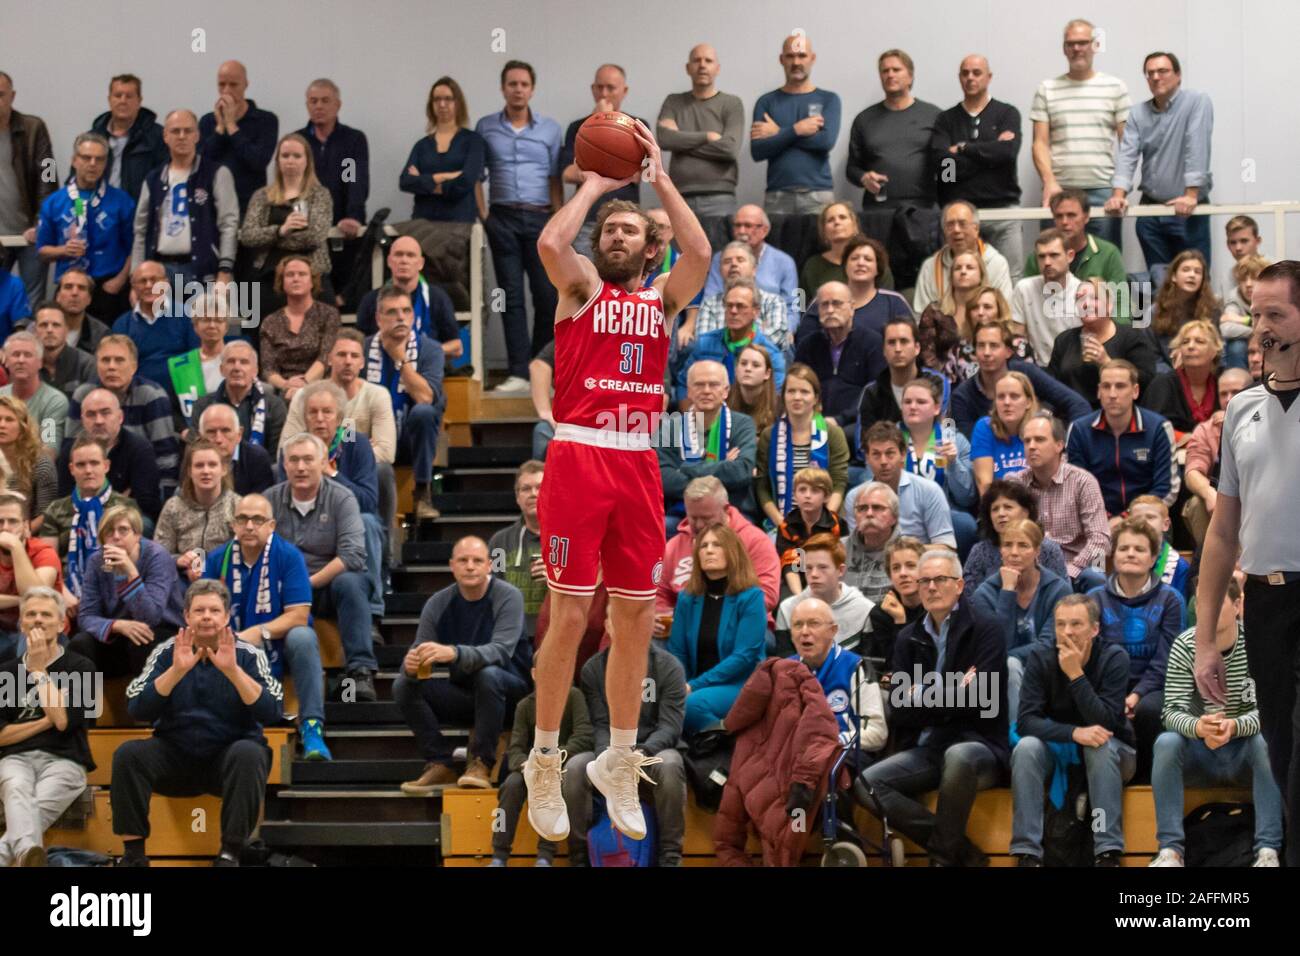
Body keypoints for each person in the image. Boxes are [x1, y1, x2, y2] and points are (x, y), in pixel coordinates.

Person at [523, 119, 710, 845]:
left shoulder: (662, 300)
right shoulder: (579, 289)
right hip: (577, 455)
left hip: (635, 459)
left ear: (648, 245)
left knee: (635, 617)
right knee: (572, 616)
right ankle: (545, 756)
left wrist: (659, 178)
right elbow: (548, 244)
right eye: (611, 230)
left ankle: (621, 756)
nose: (619, 236)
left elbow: (700, 250)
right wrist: (596, 183)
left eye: (631, 230)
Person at [1193, 260, 1300, 867]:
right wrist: (1207, 638)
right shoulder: (1241, 410)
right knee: (1284, 755)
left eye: (1276, 315)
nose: (1260, 329)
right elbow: (1221, 533)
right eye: (1254, 315)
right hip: (1264, 600)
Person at [112, 579, 281, 867]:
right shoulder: (168, 651)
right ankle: (134, 856)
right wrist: (177, 672)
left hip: (227, 763)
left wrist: (233, 671)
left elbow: (273, 711)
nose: (206, 617)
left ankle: (230, 854)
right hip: (175, 757)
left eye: (214, 611)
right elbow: (137, 707)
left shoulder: (248, 654)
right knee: (128, 754)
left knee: (251, 752)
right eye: (199, 610)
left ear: (227, 617)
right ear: (186, 616)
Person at [863, 549, 1008, 867]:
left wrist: (924, 694)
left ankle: (942, 859)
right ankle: (961, 853)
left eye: (939, 579)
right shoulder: (907, 638)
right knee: (868, 783)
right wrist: (955, 691)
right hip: (929, 747)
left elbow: (984, 701)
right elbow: (900, 708)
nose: (930, 587)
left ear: (959, 585)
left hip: (979, 745)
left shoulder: (987, 628)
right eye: (924, 580)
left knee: (958, 757)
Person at [1151, 577, 1282, 867]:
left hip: (1243, 754)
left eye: (1215, 600)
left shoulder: (1258, 645)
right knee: (1166, 742)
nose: (1204, 607)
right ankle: (1171, 851)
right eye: (1200, 600)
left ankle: (1268, 850)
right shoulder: (1185, 645)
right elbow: (1170, 711)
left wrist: (1234, 726)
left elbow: (1271, 711)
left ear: (1237, 606)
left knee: (1266, 740)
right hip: (1200, 753)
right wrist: (1199, 727)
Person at [396, 536, 530, 792]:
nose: (470, 566)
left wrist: (454, 653)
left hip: (512, 694)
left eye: (477, 560)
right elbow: (419, 647)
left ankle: (481, 762)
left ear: (489, 565)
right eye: (463, 560)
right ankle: (440, 762)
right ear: (452, 566)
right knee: (403, 685)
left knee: (488, 674)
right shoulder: (438, 602)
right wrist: (412, 664)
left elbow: (501, 651)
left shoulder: (508, 596)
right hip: (468, 695)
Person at [1010, 593, 1135, 866]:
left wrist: (1076, 675)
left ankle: (1106, 851)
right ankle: (1027, 851)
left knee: (1098, 748)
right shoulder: (1040, 658)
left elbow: (1107, 723)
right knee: (1026, 748)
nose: (1067, 632)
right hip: (1060, 750)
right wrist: (1073, 733)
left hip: (1115, 752)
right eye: (1060, 624)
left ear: (1094, 629)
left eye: (1076, 624)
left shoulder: (1114, 658)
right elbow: (1026, 721)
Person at [203, 492, 327, 760]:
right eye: (243, 519)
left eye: (257, 520)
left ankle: (312, 727)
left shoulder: (289, 556)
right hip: (230, 645)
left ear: (272, 525)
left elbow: (298, 614)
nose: (249, 526)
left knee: (303, 637)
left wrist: (259, 632)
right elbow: (199, 610)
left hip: (277, 643)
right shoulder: (217, 559)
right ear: (233, 524)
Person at [267, 431, 376, 701]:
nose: (301, 467)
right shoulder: (269, 500)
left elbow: (352, 555)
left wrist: (307, 583)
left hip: (325, 587)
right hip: (281, 591)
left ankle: (360, 672)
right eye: (293, 460)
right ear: (284, 465)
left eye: (307, 459)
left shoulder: (342, 497)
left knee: (352, 581)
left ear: (323, 462)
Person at [476, 60, 562, 393]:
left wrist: (558, 218)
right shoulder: (486, 127)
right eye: (512, 83)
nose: (518, 89)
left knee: (547, 295)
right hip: (503, 218)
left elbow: (556, 178)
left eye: (524, 84)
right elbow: (476, 175)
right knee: (510, 297)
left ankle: (541, 367)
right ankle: (518, 374)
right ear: (503, 88)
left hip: (541, 218)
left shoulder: (550, 130)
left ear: (532, 89)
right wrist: (484, 216)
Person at [565, 640, 687, 866]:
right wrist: (608, 756)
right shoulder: (593, 668)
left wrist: (642, 751)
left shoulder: (669, 666)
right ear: (608, 625)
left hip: (652, 749)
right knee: (574, 768)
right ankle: (579, 858)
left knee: (670, 765)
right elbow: (599, 724)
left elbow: (670, 726)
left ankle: (670, 858)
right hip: (608, 749)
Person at [0, 587, 95, 867]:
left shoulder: (82, 667)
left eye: (46, 614)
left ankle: (24, 854)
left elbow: (65, 722)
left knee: (26, 814)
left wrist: (40, 672)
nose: (38, 620)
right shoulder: (5, 672)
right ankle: (28, 857)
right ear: (21, 623)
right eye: (31, 614)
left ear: (62, 623)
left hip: (66, 761)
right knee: (16, 786)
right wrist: (45, 720)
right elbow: (1, 737)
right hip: (15, 759)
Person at [1088, 517, 1186, 778]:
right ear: (1113, 554)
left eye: (1139, 549)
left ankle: (1146, 781)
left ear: (1154, 558)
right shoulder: (1093, 599)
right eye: (1123, 548)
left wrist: (1136, 696)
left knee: (1149, 711)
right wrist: (1115, 695)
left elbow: (1168, 660)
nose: (1130, 553)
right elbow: (1092, 658)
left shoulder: (1171, 600)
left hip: (1153, 687)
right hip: (1107, 686)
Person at [1106, 52, 1214, 275]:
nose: (1156, 77)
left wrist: (1191, 195)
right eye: (1150, 73)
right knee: (1160, 284)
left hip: (1188, 212)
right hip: (1151, 212)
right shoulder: (1137, 113)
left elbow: (1196, 147)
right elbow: (1127, 155)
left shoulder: (1197, 102)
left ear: (1178, 76)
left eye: (1162, 71)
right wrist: (1118, 195)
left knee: (1195, 283)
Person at [1030, 18, 1130, 248]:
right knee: (1054, 263)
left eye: (1083, 42)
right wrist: (1050, 182)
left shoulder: (1115, 88)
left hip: (1103, 193)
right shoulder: (1047, 89)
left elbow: (1129, 145)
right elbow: (1039, 143)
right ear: (1064, 48)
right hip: (1060, 191)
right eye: (1071, 43)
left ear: (1094, 45)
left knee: (1104, 264)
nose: (1077, 48)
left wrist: (1119, 191)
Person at [846, 49, 941, 286]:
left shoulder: (934, 116)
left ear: (910, 76)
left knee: (924, 278)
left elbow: (948, 162)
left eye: (896, 69)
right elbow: (851, 168)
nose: (890, 75)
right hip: (878, 214)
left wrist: (949, 188)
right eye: (884, 71)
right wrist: (863, 178)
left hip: (922, 212)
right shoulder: (864, 119)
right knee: (879, 275)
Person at [490, 659, 592, 866]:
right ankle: (499, 855)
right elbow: (515, 749)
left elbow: (583, 737)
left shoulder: (574, 696)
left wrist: (551, 761)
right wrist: (527, 765)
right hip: (531, 766)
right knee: (510, 786)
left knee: (554, 785)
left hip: (562, 764)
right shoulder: (525, 705)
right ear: (535, 674)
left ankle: (545, 855)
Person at [666, 523, 766, 735]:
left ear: (732, 551)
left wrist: (694, 685)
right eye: (703, 546)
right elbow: (677, 652)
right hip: (693, 683)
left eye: (717, 545)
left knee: (692, 706)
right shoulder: (687, 598)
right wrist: (680, 684)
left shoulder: (751, 597)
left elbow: (744, 656)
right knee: (655, 702)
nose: (709, 550)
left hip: (740, 683)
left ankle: (731, 750)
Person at [931, 55, 1023, 281]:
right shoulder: (945, 119)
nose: (970, 78)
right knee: (958, 278)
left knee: (1011, 279)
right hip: (959, 214)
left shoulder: (1006, 114)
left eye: (977, 72)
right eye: (965, 73)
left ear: (989, 77)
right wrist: (990, 155)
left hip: (1003, 211)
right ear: (959, 78)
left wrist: (962, 149)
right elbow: (945, 173)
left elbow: (1007, 154)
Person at [67, 503, 183, 678]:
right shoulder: (96, 561)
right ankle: (84, 704)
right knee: (80, 643)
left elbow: (150, 617)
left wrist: (130, 573)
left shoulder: (157, 557)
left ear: (137, 535)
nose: (116, 537)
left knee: (141, 640)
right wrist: (117, 626)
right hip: (118, 632)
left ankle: (142, 704)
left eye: (123, 530)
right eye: (109, 532)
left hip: (160, 630)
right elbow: (86, 617)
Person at [972, 519, 1072, 719]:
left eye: (1023, 545)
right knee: (1009, 665)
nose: (1014, 552)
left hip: (1048, 670)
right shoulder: (984, 594)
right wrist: (1007, 591)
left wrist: (1009, 655)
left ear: (1037, 552)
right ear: (1000, 551)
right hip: (999, 677)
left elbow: (1050, 645)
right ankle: (1014, 735)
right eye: (1007, 545)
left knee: (1010, 662)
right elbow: (996, 647)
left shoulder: (1058, 589)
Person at [364, 283, 446, 519]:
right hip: (370, 440)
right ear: (379, 318)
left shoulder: (430, 350)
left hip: (410, 440)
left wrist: (400, 358)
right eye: (392, 312)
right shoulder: (363, 348)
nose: (400, 317)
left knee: (424, 412)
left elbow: (425, 397)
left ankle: (422, 493)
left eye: (406, 311)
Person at [656, 476, 780, 629]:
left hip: (741, 625)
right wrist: (660, 614)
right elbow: (661, 593)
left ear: (726, 509)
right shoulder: (675, 545)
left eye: (707, 518)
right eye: (693, 518)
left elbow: (768, 595)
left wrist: (715, 614)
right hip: (684, 628)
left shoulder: (755, 541)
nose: (700, 525)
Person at [132, 109, 238, 287]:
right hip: (159, 272)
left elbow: (229, 224)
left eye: (188, 131)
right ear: (165, 136)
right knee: (162, 316)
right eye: (175, 131)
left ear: (197, 135)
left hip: (203, 272)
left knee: (202, 316)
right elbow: (140, 231)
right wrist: (135, 277)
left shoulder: (217, 173)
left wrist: (225, 269)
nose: (182, 136)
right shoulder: (153, 179)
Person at [35, 132, 133, 320]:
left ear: (106, 164)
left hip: (108, 286)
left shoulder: (121, 201)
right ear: (74, 160)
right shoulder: (54, 202)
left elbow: (134, 248)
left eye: (100, 159)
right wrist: (63, 250)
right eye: (86, 158)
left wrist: (118, 282)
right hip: (70, 286)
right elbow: (42, 251)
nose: (93, 164)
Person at [1009, 411, 1110, 592]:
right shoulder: (1015, 484)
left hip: (1078, 567)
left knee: (1096, 574)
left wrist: (1069, 572)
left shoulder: (1083, 481)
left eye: (1039, 440)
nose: (1031, 446)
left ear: (1059, 445)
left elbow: (1100, 538)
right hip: (1031, 567)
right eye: (1027, 441)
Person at [1066, 360, 1179, 520]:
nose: (1112, 394)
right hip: (1094, 520)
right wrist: (1106, 520)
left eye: (1120, 386)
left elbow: (1166, 488)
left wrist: (1128, 518)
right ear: (1099, 392)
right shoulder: (1079, 430)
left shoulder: (1158, 428)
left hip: (1146, 519)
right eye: (1106, 386)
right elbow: (1075, 489)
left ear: (1135, 391)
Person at [953, 312, 1089, 444]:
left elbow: (1078, 405)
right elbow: (970, 447)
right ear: (975, 352)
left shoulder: (1026, 373)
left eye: (994, 346)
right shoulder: (963, 396)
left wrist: (1066, 445)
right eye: (981, 346)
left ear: (1008, 352)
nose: (987, 353)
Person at [67, 335, 180, 486]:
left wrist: (161, 500)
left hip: (140, 485)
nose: (111, 367)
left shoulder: (152, 396)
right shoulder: (83, 396)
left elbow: (166, 457)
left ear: (134, 366)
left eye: (119, 360)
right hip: (89, 485)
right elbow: (71, 448)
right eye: (105, 360)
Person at [790, 596, 888, 767]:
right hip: (793, 753)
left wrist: (832, 740)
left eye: (814, 623)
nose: (804, 631)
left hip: (841, 753)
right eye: (798, 625)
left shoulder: (855, 667)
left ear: (833, 630)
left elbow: (877, 733)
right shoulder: (785, 669)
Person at [39, 434, 138, 604]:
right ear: (71, 469)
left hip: (115, 591)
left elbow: (134, 557)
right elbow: (47, 562)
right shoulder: (55, 510)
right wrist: (62, 593)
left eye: (94, 463)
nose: (88, 470)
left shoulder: (125, 507)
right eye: (81, 464)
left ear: (106, 466)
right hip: (66, 595)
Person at [749, 32, 840, 216]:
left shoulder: (828, 99)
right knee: (776, 245)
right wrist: (797, 129)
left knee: (821, 246)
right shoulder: (766, 102)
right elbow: (758, 151)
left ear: (812, 58)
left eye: (802, 55)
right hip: (777, 196)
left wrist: (778, 132)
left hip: (818, 194)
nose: (796, 62)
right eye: (790, 56)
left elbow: (825, 142)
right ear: (781, 59)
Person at [238, 133, 334, 307]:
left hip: (313, 275)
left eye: (297, 156)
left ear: (307, 161)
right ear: (278, 161)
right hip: (270, 276)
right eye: (285, 156)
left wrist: (275, 240)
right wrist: (281, 230)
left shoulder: (320, 194)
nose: (290, 160)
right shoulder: (262, 196)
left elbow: (314, 237)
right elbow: (248, 236)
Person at [660, 360, 757, 528]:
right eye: (699, 385)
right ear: (689, 391)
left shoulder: (743, 424)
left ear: (726, 391)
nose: (706, 390)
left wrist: (686, 468)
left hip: (733, 510)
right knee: (662, 528)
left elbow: (742, 471)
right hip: (682, 513)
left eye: (713, 384)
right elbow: (664, 478)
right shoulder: (672, 427)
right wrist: (723, 466)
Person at [656, 43, 745, 220]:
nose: (702, 65)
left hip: (720, 198)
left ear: (717, 68)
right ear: (688, 68)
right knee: (680, 249)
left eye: (708, 60)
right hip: (679, 196)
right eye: (697, 60)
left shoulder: (731, 103)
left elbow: (729, 149)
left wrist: (680, 142)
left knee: (720, 249)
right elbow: (665, 139)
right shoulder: (674, 102)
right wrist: (708, 137)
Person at [559, 65, 642, 254]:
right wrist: (599, 120)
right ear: (592, 89)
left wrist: (590, 167)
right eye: (599, 87)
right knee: (585, 282)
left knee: (623, 282)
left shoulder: (637, 126)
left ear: (624, 91)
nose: (604, 94)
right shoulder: (577, 127)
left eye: (610, 88)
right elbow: (567, 173)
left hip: (628, 222)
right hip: (588, 220)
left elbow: (640, 173)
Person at [756, 364, 848, 529]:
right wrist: (782, 524)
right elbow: (762, 487)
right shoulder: (769, 436)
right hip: (781, 523)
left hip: (824, 521)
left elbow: (839, 483)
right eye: (791, 391)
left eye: (804, 392)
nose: (797, 397)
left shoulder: (833, 434)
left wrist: (820, 524)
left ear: (816, 398)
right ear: (783, 396)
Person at [54, 388, 161, 524]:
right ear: (82, 420)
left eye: (106, 413)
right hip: (79, 518)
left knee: (144, 524)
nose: (99, 421)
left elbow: (147, 505)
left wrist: (105, 512)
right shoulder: (70, 451)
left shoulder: (140, 449)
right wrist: (118, 501)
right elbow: (64, 499)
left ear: (120, 417)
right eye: (91, 414)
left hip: (125, 522)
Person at [843, 422, 957, 549]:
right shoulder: (855, 497)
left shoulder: (929, 491)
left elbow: (946, 547)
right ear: (867, 458)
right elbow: (856, 548)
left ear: (903, 455)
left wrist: (902, 553)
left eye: (890, 453)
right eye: (876, 454)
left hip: (918, 564)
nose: (883, 461)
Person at [677, 278, 786, 404]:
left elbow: (776, 397)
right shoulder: (704, 344)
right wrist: (696, 421)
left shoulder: (770, 353)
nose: (733, 311)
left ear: (755, 312)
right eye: (729, 305)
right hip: (707, 416)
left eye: (740, 306)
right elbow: (684, 384)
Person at [1048, 278, 1159, 403]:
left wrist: (1107, 363)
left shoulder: (1132, 337)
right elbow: (1052, 385)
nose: (1086, 304)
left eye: (1094, 298)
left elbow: (1148, 383)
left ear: (1109, 304)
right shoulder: (1064, 340)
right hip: (1071, 414)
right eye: (1080, 298)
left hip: (1117, 412)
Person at [898, 375, 977, 550]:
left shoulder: (956, 440)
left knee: (965, 524)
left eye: (920, 402)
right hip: (899, 513)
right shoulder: (889, 439)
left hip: (942, 514)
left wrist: (953, 463)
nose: (913, 406)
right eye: (907, 402)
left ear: (936, 408)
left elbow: (967, 497)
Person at [793, 281, 885, 425]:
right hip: (813, 422)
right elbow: (796, 387)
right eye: (824, 304)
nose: (830, 310)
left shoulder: (872, 343)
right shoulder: (808, 345)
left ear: (852, 308)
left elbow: (876, 393)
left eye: (837, 304)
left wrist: (840, 420)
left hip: (857, 423)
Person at [0, 72, 55, 307]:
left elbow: (49, 175)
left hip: (29, 234)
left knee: (33, 305)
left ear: (13, 96)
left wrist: (41, 222)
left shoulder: (34, 128)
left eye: (1, 95)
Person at [1181, 368, 1253, 548]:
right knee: (1197, 503)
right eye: (1223, 394)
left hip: (1256, 497)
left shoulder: (1266, 423)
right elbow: (1192, 472)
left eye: (1236, 392)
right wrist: (1210, 494)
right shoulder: (1207, 430)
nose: (1229, 399)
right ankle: (1215, 563)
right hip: (1223, 500)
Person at [795, 235, 909, 347]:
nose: (860, 263)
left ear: (878, 269)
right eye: (854, 258)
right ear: (845, 266)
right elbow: (804, 343)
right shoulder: (824, 299)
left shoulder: (894, 302)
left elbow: (908, 343)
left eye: (868, 259)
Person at [354, 236, 461, 356]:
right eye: (398, 255)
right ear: (389, 261)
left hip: (426, 370)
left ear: (420, 263)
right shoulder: (371, 300)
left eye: (410, 255)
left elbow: (456, 347)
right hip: (381, 366)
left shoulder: (437, 298)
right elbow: (358, 346)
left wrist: (425, 354)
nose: (404, 260)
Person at [199, 60, 279, 215]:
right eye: (222, 85)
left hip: (250, 207)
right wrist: (220, 129)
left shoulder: (266, 120)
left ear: (246, 84)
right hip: (212, 205)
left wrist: (231, 126)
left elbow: (258, 162)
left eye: (233, 85)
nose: (226, 91)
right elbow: (202, 164)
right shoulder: (207, 121)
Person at [401, 77, 486, 224]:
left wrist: (426, 183)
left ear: (458, 103)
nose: (442, 104)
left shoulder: (473, 141)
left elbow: (466, 181)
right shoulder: (421, 146)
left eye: (448, 99)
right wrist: (445, 176)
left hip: (460, 224)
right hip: (423, 224)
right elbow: (406, 181)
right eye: (436, 99)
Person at [154, 439, 238, 587]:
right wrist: (178, 560)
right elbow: (158, 554)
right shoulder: (173, 507)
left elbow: (245, 554)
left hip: (226, 579)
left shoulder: (238, 506)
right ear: (189, 471)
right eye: (199, 465)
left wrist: (212, 570)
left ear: (223, 469)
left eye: (212, 465)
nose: (206, 471)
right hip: (182, 580)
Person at [963, 479, 1070, 594]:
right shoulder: (980, 552)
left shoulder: (1048, 549)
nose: (1001, 514)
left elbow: (1063, 595)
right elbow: (971, 598)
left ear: (1026, 512)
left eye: (1008, 507)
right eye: (995, 509)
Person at [774, 533, 874, 655]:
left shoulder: (864, 609)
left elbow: (867, 664)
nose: (814, 574)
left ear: (841, 570)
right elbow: (785, 664)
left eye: (822, 567)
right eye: (809, 568)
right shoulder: (788, 608)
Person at [257, 257, 340, 403]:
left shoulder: (329, 315)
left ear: (312, 281)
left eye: (302, 274)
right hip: (284, 391)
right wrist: (286, 385)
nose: (296, 279)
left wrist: (303, 385)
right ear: (282, 282)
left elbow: (325, 357)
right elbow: (268, 370)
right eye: (290, 275)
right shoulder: (270, 322)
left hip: (320, 386)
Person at [300, 78, 369, 248]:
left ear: (337, 105)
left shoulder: (351, 140)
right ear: (307, 105)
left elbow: (352, 179)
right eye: (313, 101)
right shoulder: (298, 142)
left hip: (343, 227)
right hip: (305, 228)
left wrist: (353, 216)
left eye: (325, 101)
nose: (319, 106)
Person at [110, 259, 199, 389]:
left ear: (166, 284)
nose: (148, 285)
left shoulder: (188, 315)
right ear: (133, 287)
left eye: (154, 280)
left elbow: (198, 359)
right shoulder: (122, 324)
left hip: (182, 392)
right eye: (142, 281)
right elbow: (121, 369)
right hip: (139, 396)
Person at [680, 242, 789, 348]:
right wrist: (758, 331)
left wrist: (729, 339)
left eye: (740, 260)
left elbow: (776, 339)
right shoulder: (710, 303)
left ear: (754, 269)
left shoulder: (773, 301)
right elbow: (706, 343)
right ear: (720, 270)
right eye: (727, 261)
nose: (734, 264)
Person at [912, 201, 1013, 315]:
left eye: (962, 224)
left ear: (976, 229)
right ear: (944, 231)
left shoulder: (996, 263)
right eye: (950, 224)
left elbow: (1004, 312)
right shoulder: (930, 266)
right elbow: (921, 316)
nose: (956, 230)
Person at [1024, 189, 1129, 296]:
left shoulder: (1108, 253)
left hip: (1097, 312)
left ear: (1086, 217)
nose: (1064, 222)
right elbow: (1027, 295)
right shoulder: (1040, 257)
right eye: (1059, 216)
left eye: (1071, 215)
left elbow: (1122, 305)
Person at [487, 461, 547, 642]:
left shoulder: (569, 538)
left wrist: (558, 576)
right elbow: (492, 587)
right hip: (513, 635)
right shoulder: (499, 542)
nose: (533, 494)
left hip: (558, 631)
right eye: (526, 489)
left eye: (540, 487)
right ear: (517, 497)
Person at [191, 340, 288, 454]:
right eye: (231, 361)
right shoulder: (203, 406)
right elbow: (198, 451)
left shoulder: (274, 406)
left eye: (244, 362)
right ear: (221, 370)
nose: (237, 368)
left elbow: (276, 455)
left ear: (255, 371)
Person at [699, 205, 798, 313]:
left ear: (764, 230)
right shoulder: (721, 258)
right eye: (737, 225)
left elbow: (794, 306)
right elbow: (709, 298)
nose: (741, 231)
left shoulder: (785, 262)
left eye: (748, 225)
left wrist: (788, 329)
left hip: (773, 324)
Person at [0, 491, 62, 660]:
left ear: (26, 527)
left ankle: (27, 684)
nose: (5, 528)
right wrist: (18, 601)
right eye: (0, 522)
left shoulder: (44, 553)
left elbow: (36, 597)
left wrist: (16, 547)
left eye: (12, 521)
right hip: (4, 630)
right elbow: (25, 599)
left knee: (33, 624)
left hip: (45, 628)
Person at [857, 316, 939, 437]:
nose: (898, 349)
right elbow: (864, 443)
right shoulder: (872, 392)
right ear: (884, 350)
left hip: (932, 452)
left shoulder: (936, 383)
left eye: (904, 341)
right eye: (891, 343)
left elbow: (947, 424)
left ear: (917, 348)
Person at [90, 74, 165, 202]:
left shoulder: (157, 137)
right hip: (97, 213)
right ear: (109, 99)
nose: (123, 101)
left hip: (139, 214)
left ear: (139, 101)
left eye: (129, 96)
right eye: (118, 95)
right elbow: (75, 183)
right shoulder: (92, 138)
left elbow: (164, 180)